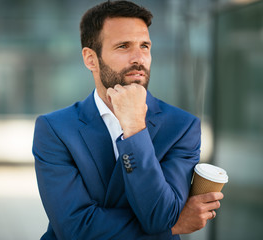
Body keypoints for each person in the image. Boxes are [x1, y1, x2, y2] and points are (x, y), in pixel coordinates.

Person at [32, 1, 223, 239]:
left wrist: (135, 128)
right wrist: (173, 227)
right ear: (91, 59)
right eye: (123, 46)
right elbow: (75, 229)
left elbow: (159, 216)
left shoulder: (182, 127)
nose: (138, 58)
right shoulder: (55, 129)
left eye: (145, 46)